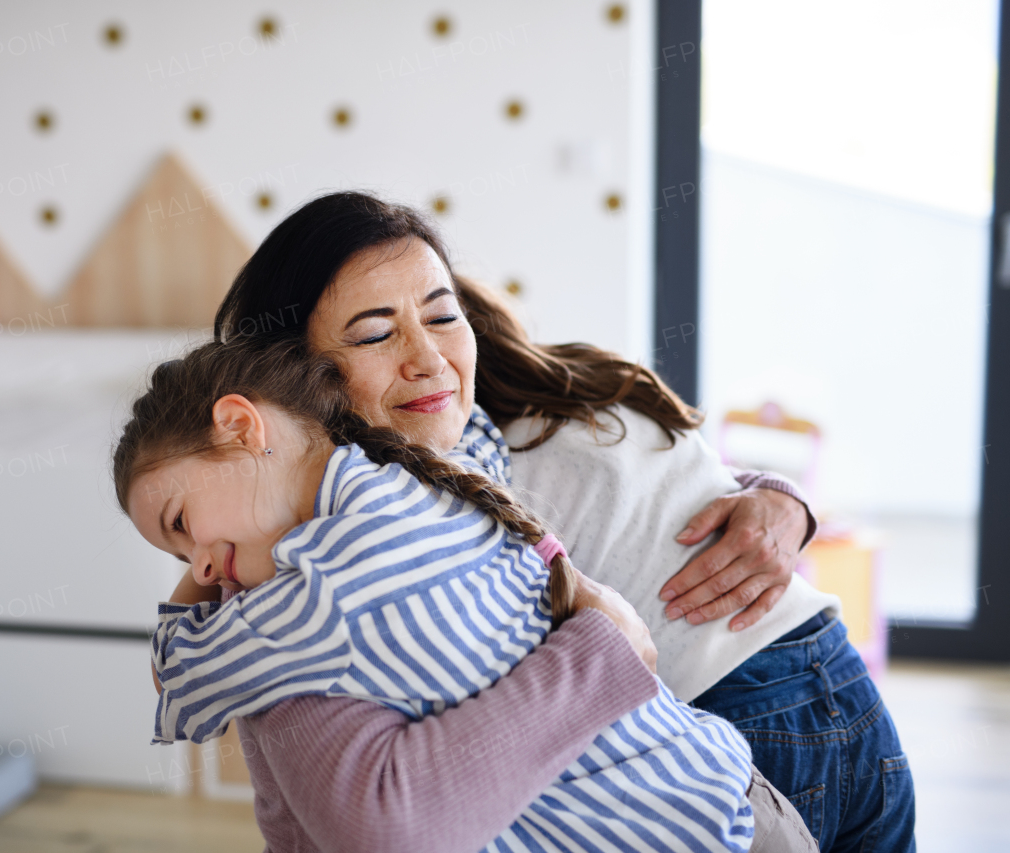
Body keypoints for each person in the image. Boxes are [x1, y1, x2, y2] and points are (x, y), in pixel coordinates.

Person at [193, 191, 914, 853]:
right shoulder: (499, 426)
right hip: (837, 695)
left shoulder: (490, 433)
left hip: (757, 706)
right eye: (376, 333)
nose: (429, 357)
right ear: (291, 371)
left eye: (443, 316)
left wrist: (783, 501)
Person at [115, 337, 816, 852]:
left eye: (182, 527)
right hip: (726, 792)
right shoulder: (415, 471)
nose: (202, 570)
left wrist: (190, 597)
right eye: (179, 556)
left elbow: (178, 669)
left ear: (240, 425)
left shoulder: (317, 591)